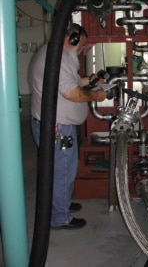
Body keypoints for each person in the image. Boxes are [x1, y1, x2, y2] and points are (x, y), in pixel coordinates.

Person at [29, 23, 107, 230]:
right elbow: (71, 93)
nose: (81, 49)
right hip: (57, 129)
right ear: (71, 39)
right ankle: (59, 217)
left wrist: (88, 80)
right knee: (62, 172)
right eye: (80, 45)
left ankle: (60, 203)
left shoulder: (53, 53)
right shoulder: (58, 58)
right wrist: (98, 95)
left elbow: (67, 83)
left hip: (54, 125)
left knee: (61, 170)